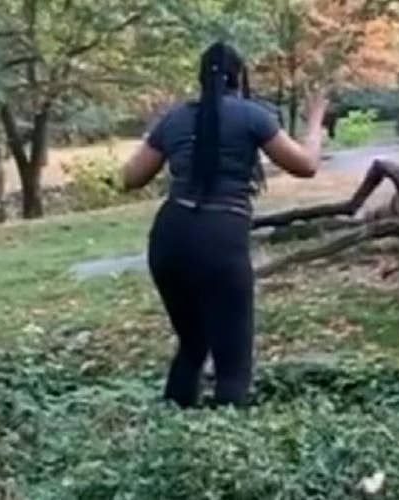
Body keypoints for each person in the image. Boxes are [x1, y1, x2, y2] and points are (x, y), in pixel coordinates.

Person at [119, 41, 329, 408]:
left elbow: (130, 178)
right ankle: (226, 445)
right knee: (233, 363)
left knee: (192, 343)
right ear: (239, 78)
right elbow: (306, 165)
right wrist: (314, 125)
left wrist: (163, 138)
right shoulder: (253, 116)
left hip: (169, 238)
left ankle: (174, 427)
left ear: (200, 78)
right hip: (221, 239)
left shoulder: (176, 117)